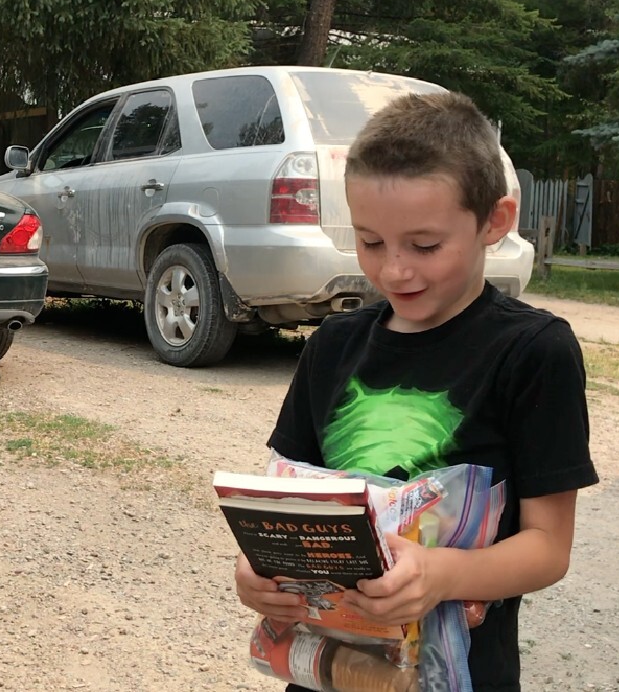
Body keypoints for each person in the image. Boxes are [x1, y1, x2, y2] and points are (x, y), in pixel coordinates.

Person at [234, 91, 598, 690]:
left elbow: (548, 548)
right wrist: (258, 571)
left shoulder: (534, 352)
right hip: (329, 668)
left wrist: (441, 575)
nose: (395, 270)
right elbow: (286, 508)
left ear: (494, 222)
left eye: (425, 246)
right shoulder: (332, 345)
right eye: (370, 241)